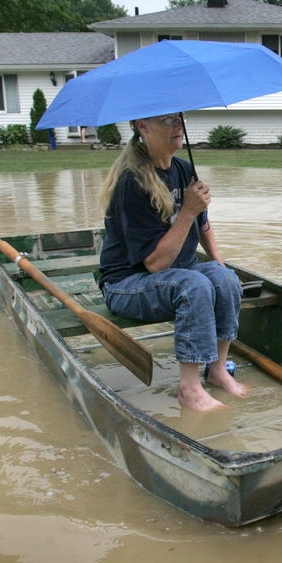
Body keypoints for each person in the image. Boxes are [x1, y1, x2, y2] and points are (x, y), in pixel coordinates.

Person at [98, 112, 246, 411]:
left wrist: (218, 261)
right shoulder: (132, 183)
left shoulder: (183, 168)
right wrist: (187, 211)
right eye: (166, 121)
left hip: (177, 273)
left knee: (225, 279)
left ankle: (217, 371)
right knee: (194, 284)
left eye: (179, 119)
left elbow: (203, 224)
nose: (177, 126)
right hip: (127, 283)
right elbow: (154, 264)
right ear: (142, 127)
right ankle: (190, 389)